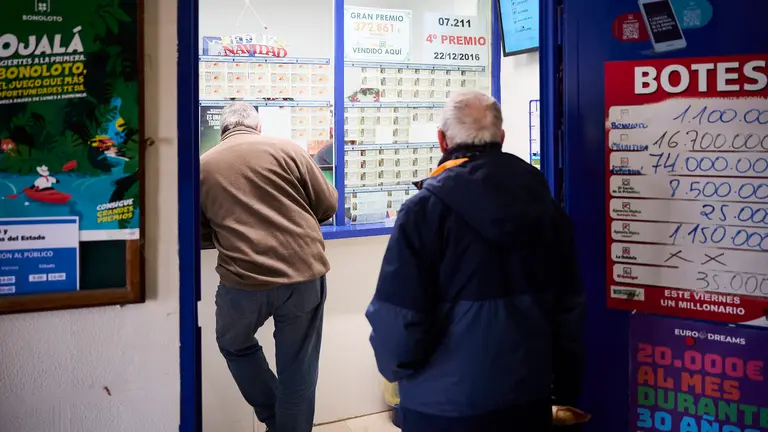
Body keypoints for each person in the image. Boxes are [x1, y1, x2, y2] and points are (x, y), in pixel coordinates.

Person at [365, 90, 585, 432]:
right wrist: (565, 389)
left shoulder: (424, 211)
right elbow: (569, 310)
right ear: (501, 137)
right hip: (527, 399)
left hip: (442, 407)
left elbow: (398, 321)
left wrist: (398, 369)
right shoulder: (546, 206)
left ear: (442, 140)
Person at [200, 102, 338, 432]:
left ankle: (274, 419)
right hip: (303, 274)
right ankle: (287, 425)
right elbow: (328, 204)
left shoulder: (203, 166)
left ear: (223, 131)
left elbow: (203, 231)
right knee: (298, 370)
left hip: (243, 281)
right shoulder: (288, 150)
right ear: (257, 127)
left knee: (233, 344)